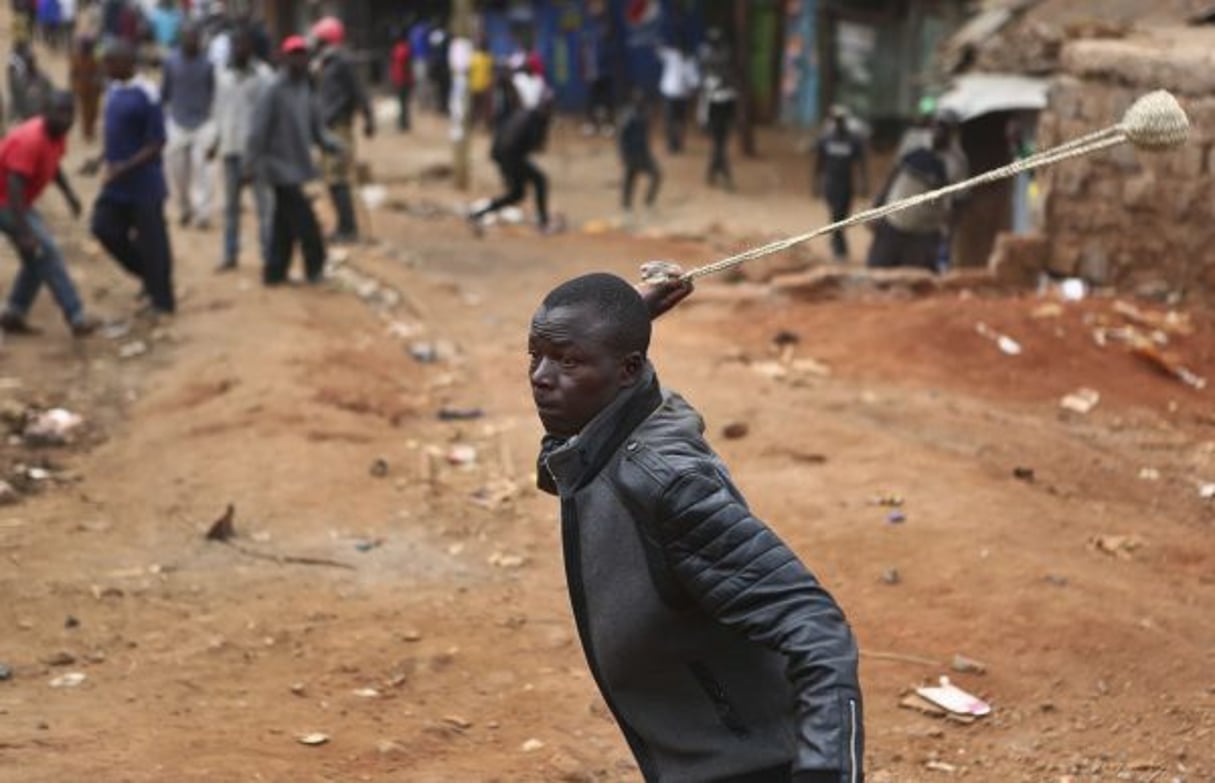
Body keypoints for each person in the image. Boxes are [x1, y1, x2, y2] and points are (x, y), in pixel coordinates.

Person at [528, 272, 864, 783]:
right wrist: (624, 323)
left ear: (627, 371)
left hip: (751, 766)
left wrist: (827, 772)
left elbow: (815, 627)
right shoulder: (604, 433)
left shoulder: (670, 487)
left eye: (568, 361)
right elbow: (563, 464)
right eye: (536, 355)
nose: (540, 376)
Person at [245, 35, 342, 286]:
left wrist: (332, 145)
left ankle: (275, 272)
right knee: (305, 222)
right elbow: (258, 130)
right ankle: (315, 267)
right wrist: (251, 164)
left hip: (300, 166)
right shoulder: (273, 89)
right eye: (294, 54)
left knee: (283, 224)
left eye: (303, 54)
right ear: (285, 58)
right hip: (278, 168)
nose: (299, 59)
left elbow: (317, 128)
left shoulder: (306, 89)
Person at [0, 90, 98, 336]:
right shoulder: (31, 139)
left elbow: (53, 166)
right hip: (6, 201)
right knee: (46, 249)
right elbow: (14, 186)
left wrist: (70, 195)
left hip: (14, 201)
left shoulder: (57, 135)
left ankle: (14, 312)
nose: (66, 119)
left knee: (36, 256)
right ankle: (76, 315)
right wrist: (24, 233)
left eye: (70, 113)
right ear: (45, 113)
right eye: (59, 112)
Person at [89, 39, 175, 317]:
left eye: (110, 61)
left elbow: (157, 142)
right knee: (103, 227)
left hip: (144, 185)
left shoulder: (147, 93)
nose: (106, 67)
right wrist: (101, 158)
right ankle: (148, 277)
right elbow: (118, 133)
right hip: (118, 185)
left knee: (153, 242)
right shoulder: (113, 90)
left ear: (126, 62)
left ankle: (163, 300)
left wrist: (124, 167)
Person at [210, 23, 271, 272]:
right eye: (235, 44)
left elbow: (269, 116)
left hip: (256, 152)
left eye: (243, 43)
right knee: (231, 208)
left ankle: (269, 256)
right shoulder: (222, 75)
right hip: (231, 149)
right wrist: (215, 141)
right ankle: (230, 254)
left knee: (264, 207)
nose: (239, 48)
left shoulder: (264, 76)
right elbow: (219, 110)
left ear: (251, 47)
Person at [312, 15, 374, 245]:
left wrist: (368, 118)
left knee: (338, 178)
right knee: (331, 178)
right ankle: (342, 225)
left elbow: (359, 92)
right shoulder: (325, 63)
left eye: (319, 39)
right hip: (327, 125)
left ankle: (348, 228)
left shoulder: (342, 62)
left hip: (339, 126)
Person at [865, 119, 952, 272]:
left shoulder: (954, 163)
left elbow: (953, 203)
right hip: (895, 222)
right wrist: (876, 209)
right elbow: (891, 177)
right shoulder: (913, 147)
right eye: (937, 129)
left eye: (944, 131)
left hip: (923, 232)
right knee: (878, 273)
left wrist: (945, 233)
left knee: (917, 281)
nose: (939, 134)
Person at [161, 22, 216, 229]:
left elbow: (213, 92)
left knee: (204, 171)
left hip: (203, 122)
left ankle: (203, 213)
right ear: (181, 39)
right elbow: (165, 92)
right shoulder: (171, 62)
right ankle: (184, 207)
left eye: (195, 37)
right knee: (177, 171)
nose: (191, 41)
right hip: (177, 121)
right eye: (187, 37)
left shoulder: (208, 64)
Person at [467, 100, 551, 235]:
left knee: (517, 193)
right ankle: (543, 221)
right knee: (539, 181)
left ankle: (479, 213)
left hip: (501, 154)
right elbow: (534, 145)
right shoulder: (535, 121)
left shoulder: (521, 114)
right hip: (510, 156)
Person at [813, 105, 868, 262]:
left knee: (843, 216)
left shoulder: (853, 140)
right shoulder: (826, 139)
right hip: (830, 184)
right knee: (836, 214)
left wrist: (864, 183)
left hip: (846, 184)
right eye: (836, 120)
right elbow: (819, 163)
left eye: (841, 120)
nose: (839, 123)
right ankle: (840, 248)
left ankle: (836, 240)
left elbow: (861, 163)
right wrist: (816, 184)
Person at [700, 28, 737, 190]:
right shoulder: (722, 56)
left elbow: (706, 96)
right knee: (719, 145)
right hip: (720, 106)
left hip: (718, 106)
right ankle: (722, 174)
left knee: (718, 145)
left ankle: (714, 172)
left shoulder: (710, 58)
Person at [617, 90, 660, 213]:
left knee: (656, 174)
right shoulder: (628, 116)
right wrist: (623, 155)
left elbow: (646, 137)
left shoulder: (644, 115)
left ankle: (648, 202)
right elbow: (621, 137)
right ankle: (626, 207)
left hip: (644, 154)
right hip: (632, 154)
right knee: (629, 180)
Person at [657, 40, 697, 154]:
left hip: (683, 96)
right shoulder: (672, 56)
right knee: (670, 120)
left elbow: (694, 81)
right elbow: (660, 51)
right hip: (670, 93)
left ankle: (679, 144)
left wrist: (691, 87)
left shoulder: (690, 61)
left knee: (681, 121)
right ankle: (671, 144)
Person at [7, 42, 52, 126]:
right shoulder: (19, 80)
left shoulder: (44, 79)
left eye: (31, 61)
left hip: (40, 117)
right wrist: (12, 115)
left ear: (34, 61)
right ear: (25, 62)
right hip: (25, 118)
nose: (30, 63)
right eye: (28, 61)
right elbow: (15, 99)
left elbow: (50, 96)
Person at [69, 34, 102, 142]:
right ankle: (87, 132)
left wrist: (98, 82)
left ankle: (91, 129)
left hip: (94, 88)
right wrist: (74, 87)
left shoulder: (95, 57)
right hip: (82, 88)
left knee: (94, 110)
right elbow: (73, 73)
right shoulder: (76, 57)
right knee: (85, 111)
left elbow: (100, 71)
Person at [468, 34, 493, 130]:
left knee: (480, 108)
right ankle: (476, 125)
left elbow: (490, 73)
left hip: (481, 87)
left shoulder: (485, 58)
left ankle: (480, 126)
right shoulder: (477, 57)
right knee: (478, 108)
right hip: (478, 86)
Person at [388, 28, 412, 132]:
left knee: (403, 103)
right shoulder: (401, 48)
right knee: (403, 103)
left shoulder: (402, 49)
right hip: (400, 79)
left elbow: (406, 66)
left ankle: (403, 124)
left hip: (403, 80)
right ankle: (403, 123)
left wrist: (406, 79)